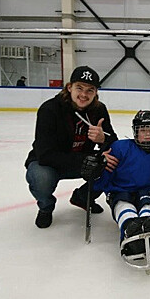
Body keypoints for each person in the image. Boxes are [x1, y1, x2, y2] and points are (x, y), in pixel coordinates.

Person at [25, 66, 118, 229]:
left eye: (90, 90)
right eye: (79, 88)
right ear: (69, 87)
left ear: (96, 92)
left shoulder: (99, 109)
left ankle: (83, 197)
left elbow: (113, 142)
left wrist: (103, 139)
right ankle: (46, 207)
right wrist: (87, 160)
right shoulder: (50, 109)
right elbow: (45, 154)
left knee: (113, 164)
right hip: (49, 164)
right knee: (41, 178)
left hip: (82, 162)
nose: (84, 94)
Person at [81, 110, 150, 256]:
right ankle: (130, 228)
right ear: (135, 132)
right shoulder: (119, 148)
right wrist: (96, 173)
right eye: (143, 130)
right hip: (120, 193)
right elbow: (101, 183)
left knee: (148, 204)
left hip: (149, 193)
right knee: (124, 205)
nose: (148, 134)